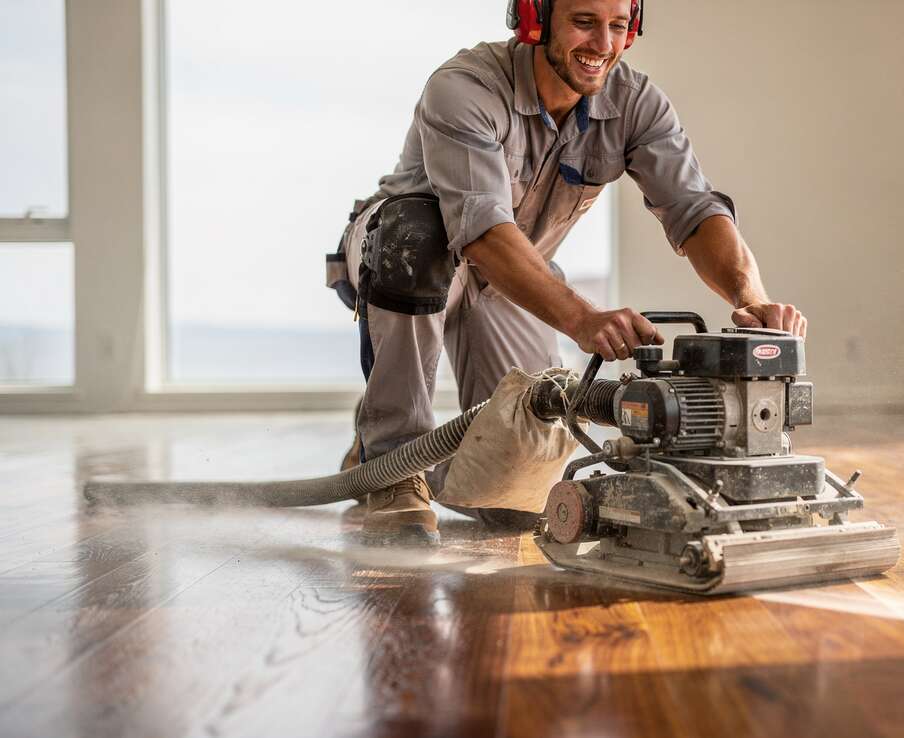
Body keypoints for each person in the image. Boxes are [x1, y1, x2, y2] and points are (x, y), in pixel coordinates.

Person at [330, 0, 807, 544]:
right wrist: (582, 319)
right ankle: (392, 465)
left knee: (513, 505)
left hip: (509, 280)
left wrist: (750, 297)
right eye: (584, 22)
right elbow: (482, 232)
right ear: (535, 17)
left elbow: (695, 210)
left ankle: (378, 456)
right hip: (406, 257)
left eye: (618, 26)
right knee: (415, 237)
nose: (603, 44)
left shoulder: (636, 104)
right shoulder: (465, 88)